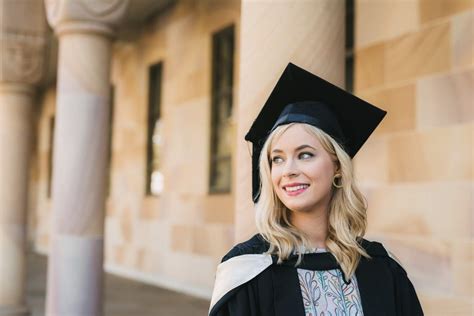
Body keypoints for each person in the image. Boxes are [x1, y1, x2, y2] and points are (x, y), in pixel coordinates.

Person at [208, 63, 424, 316]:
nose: (288, 169)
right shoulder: (248, 270)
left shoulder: (381, 267)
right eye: (277, 159)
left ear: (338, 167)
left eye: (305, 154)